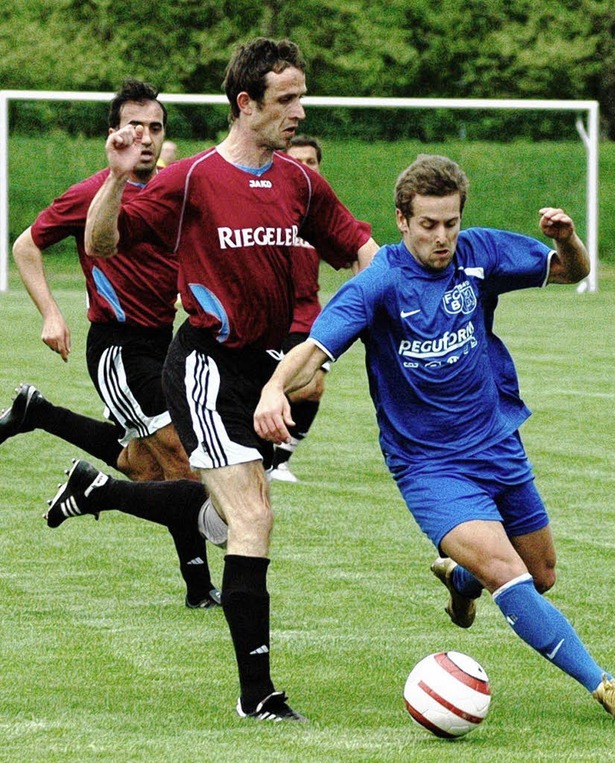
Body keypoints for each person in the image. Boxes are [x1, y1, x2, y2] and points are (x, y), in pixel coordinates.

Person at [254, 154, 615, 723]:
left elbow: (571, 271)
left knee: (541, 576)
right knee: (509, 577)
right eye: (428, 224)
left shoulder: (479, 254)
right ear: (401, 220)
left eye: (450, 223)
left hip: (497, 443)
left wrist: (571, 238)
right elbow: (314, 350)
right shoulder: (380, 283)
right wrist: (273, 389)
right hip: (429, 468)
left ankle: (461, 577)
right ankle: (605, 685)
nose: (442, 237)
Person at [82, 38, 378, 721]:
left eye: (301, 97)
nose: (299, 112)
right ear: (246, 104)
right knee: (253, 516)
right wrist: (117, 178)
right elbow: (102, 243)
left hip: (272, 374)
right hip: (209, 367)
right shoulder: (190, 180)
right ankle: (259, 696)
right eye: (287, 100)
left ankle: (107, 492)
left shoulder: (299, 182)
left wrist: (402, 293)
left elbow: (362, 254)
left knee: (225, 517)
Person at [8, 79, 221, 609]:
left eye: (155, 128)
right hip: (117, 349)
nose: (145, 138)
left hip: (163, 343)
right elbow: (25, 246)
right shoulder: (92, 193)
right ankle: (199, 587)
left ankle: (41, 416)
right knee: (180, 461)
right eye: (135, 127)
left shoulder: (177, 188)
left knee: (143, 469)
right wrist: (52, 314)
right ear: (114, 134)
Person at [269, 135, 326, 483]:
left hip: (309, 314)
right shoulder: (268, 205)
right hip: (273, 316)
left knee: (312, 386)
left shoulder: (322, 212)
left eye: (311, 162)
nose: (305, 168)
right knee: (297, 385)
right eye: (297, 161)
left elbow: (352, 251)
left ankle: (279, 460)